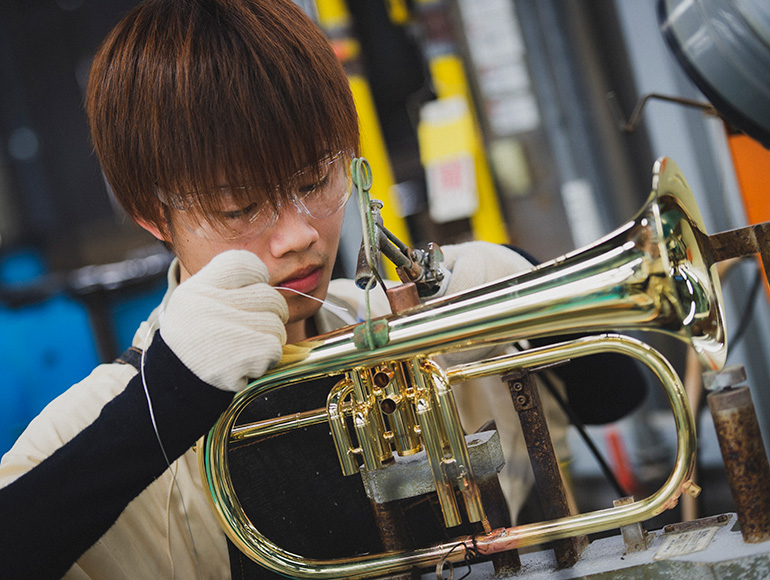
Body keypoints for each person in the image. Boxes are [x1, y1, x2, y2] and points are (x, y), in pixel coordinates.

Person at [0, 1, 645, 579]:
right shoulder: (120, 410)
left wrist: (523, 282)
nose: (298, 236)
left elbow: (615, 395)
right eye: (241, 207)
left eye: (314, 181)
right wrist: (162, 404)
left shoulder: (412, 317)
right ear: (152, 213)